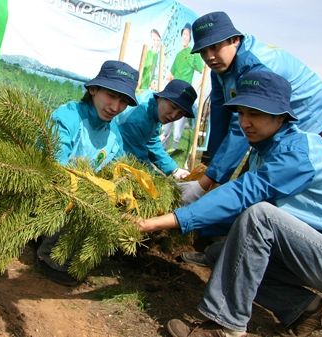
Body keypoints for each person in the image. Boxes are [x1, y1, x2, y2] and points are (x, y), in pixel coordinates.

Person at [134, 71, 322, 337]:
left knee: (260, 216)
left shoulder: (296, 153)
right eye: (241, 113)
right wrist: (186, 220)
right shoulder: (267, 148)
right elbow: (237, 205)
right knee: (221, 254)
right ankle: (307, 309)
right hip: (316, 248)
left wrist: (165, 220)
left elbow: (243, 195)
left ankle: (225, 327)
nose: (245, 122)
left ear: (281, 116)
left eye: (256, 114)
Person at [184, 11, 322, 201]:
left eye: (214, 47)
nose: (210, 57)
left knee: (277, 182)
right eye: (203, 51)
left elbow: (241, 127)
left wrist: (205, 183)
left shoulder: (254, 68)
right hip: (273, 117)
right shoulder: (220, 70)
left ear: (235, 40)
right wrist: (209, 165)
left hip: (311, 114)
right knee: (251, 178)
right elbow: (220, 113)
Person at [37, 60, 139, 286]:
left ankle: (76, 257)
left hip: (82, 198)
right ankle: (49, 254)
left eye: (123, 101)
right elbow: (55, 166)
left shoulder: (114, 134)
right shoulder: (68, 117)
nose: (115, 107)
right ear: (93, 90)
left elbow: (119, 168)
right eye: (111, 96)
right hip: (52, 191)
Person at [117, 79, 197, 179]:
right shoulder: (137, 118)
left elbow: (152, 142)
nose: (174, 116)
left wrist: (174, 169)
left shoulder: (155, 109)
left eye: (181, 113)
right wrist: (161, 181)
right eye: (173, 107)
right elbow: (136, 159)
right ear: (161, 97)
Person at [161, 23, 204, 153]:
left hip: (184, 95)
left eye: (187, 34)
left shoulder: (194, 54)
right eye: (183, 34)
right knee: (166, 122)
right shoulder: (179, 54)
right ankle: (162, 150)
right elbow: (171, 74)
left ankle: (175, 150)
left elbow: (204, 70)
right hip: (173, 94)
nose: (185, 37)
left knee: (178, 125)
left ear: (190, 37)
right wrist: (165, 79)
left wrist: (195, 87)